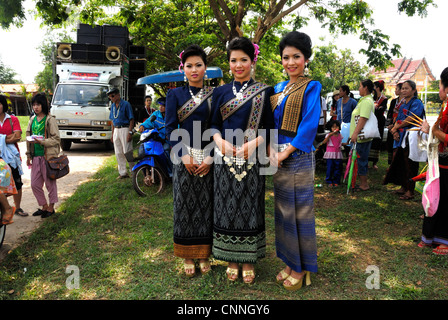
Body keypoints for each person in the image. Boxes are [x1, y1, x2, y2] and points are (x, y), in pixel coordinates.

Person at [210, 37, 273, 284]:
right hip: (224, 159)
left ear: (252, 61)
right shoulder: (220, 92)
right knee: (226, 206)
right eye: (233, 60)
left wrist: (252, 145)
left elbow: (269, 127)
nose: (238, 65)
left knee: (250, 207)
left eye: (243, 60)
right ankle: (231, 260)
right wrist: (220, 142)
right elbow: (214, 124)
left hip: (252, 158)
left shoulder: (264, 91)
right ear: (228, 63)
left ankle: (248, 260)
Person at [269, 30, 321, 291]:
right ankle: (290, 262)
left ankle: (301, 268)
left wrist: (284, 153)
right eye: (286, 57)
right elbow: (269, 123)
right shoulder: (278, 89)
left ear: (306, 59)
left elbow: (310, 125)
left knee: (300, 213)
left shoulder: (312, 86)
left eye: (296, 57)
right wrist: (271, 151)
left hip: (297, 156)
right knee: (283, 212)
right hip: (277, 157)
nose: (291, 62)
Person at [165, 44, 215, 277]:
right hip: (183, 157)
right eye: (189, 66)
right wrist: (183, 155)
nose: (194, 69)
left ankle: (204, 253)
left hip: (207, 157)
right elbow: (169, 129)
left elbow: (218, 128)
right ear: (182, 69)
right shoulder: (175, 95)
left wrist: (211, 156)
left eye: (198, 65)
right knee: (184, 205)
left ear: (206, 68)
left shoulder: (215, 96)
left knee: (205, 205)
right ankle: (187, 254)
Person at [418, 67, 448, 255]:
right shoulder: (445, 107)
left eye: (440, 85)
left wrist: (433, 131)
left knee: (444, 199)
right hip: (441, 161)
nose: (439, 89)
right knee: (436, 196)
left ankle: (444, 241)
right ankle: (430, 238)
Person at [383, 80, 425, 200]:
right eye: (403, 88)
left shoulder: (417, 103)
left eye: (407, 88)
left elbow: (411, 119)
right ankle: (403, 186)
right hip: (401, 137)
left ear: (413, 90)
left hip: (411, 137)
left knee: (410, 163)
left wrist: (396, 127)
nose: (404, 90)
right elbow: (398, 119)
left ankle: (410, 190)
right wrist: (395, 130)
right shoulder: (402, 104)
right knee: (401, 162)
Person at [25, 93, 61, 218]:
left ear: (43, 105)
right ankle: (44, 206)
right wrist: (29, 155)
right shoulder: (32, 120)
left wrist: (42, 142)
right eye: (34, 105)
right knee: (35, 184)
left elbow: (56, 139)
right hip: (35, 157)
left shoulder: (50, 119)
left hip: (48, 157)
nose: (36, 107)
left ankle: (51, 208)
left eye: (38, 104)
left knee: (50, 184)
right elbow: (28, 139)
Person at [0, 95, 26, 217]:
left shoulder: (12, 119)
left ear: (3, 105)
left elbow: (17, 136)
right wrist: (8, 137)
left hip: (12, 156)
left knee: (16, 181)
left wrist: (1, 139)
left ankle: (18, 207)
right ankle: (4, 208)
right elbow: (13, 136)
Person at [349, 79, 375, 191]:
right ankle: (360, 182)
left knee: (361, 160)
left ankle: (364, 184)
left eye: (360, 86)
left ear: (365, 88)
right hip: (359, 137)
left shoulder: (366, 101)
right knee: (359, 160)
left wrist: (355, 134)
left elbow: (363, 118)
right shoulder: (364, 100)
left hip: (361, 138)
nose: (359, 88)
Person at [108, 88, 135, 179]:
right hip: (116, 129)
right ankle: (123, 172)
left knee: (127, 151)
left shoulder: (126, 104)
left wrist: (130, 132)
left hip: (125, 128)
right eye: (109, 97)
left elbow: (131, 119)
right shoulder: (112, 106)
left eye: (112, 96)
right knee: (118, 152)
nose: (111, 98)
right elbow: (112, 121)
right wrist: (112, 134)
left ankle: (133, 171)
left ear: (118, 95)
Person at [369, 80, 388, 169]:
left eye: (374, 86)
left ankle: (374, 162)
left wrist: (376, 108)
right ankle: (368, 161)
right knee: (370, 139)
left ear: (378, 87)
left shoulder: (384, 99)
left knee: (377, 140)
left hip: (379, 121)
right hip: (372, 120)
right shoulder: (372, 97)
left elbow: (381, 109)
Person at [385, 83, 404, 164]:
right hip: (391, 126)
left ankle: (397, 164)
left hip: (400, 126)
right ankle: (391, 164)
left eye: (396, 89)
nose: (395, 91)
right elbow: (389, 113)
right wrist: (389, 124)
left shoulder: (406, 102)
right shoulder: (393, 101)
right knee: (390, 145)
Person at [322, 120, 343, 187]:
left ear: (339, 127)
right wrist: (329, 135)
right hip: (330, 154)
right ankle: (329, 181)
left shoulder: (340, 135)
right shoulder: (328, 135)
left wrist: (348, 142)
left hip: (338, 154)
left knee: (338, 167)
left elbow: (340, 143)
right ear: (330, 128)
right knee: (330, 167)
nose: (334, 128)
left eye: (336, 126)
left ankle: (336, 181)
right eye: (333, 127)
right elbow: (324, 142)